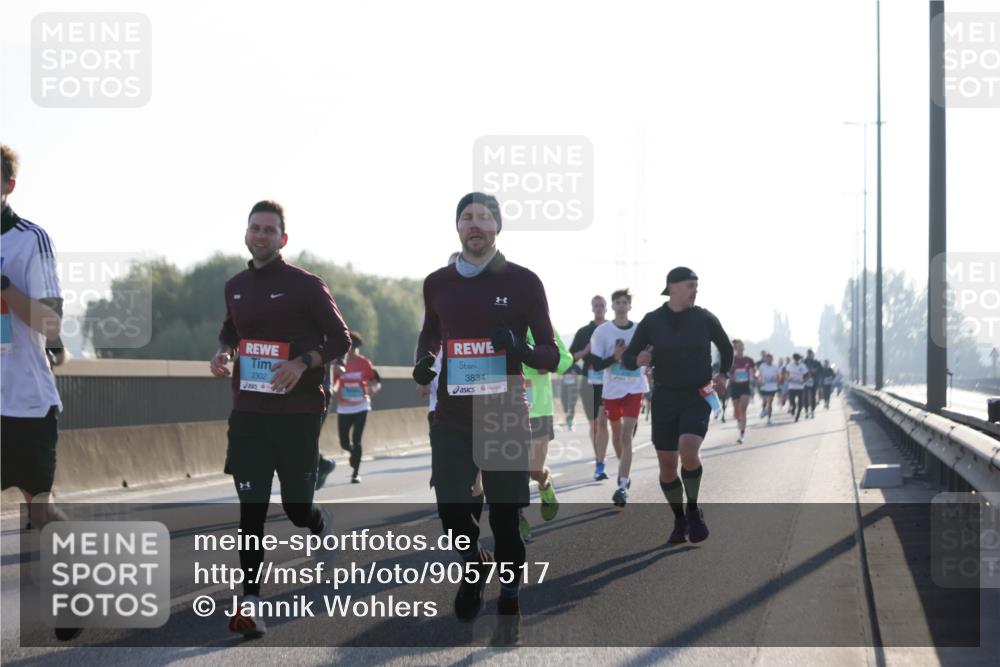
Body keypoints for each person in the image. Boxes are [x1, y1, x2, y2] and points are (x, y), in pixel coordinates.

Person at [412, 192, 558, 640]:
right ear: (457, 227)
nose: (474, 224)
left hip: (503, 411)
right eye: (467, 217)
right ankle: (474, 565)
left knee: (506, 515)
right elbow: (431, 333)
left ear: (497, 226)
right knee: (451, 510)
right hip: (453, 413)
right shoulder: (437, 282)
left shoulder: (524, 282)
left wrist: (520, 348)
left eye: (483, 217)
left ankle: (509, 601)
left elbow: (549, 354)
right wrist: (425, 360)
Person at [210, 200, 352, 638]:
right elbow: (231, 329)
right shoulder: (235, 286)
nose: (261, 235)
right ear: (246, 234)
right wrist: (224, 352)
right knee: (250, 510)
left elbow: (340, 339)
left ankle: (318, 522)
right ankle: (251, 602)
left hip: (298, 410)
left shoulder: (306, 285)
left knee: (294, 507)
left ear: (283, 239)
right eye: (255, 228)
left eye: (270, 229)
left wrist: (301, 363)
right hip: (249, 411)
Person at [0, 144, 79, 642]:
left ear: (8, 186)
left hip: (25, 400)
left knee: (40, 509)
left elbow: (51, 322)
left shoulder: (31, 240)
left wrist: (5, 288)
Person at [622, 267, 733, 545]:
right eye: (690, 285)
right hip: (665, 399)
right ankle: (679, 518)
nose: (695, 290)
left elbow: (726, 347)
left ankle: (694, 509)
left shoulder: (704, 318)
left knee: (688, 447)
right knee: (668, 465)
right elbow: (628, 357)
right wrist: (639, 359)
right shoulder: (652, 321)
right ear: (672, 287)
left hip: (698, 395)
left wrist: (723, 374)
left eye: (697, 285)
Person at [589, 288, 649, 507]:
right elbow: (595, 365)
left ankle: (622, 484)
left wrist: (646, 360)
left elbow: (649, 354)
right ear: (612, 306)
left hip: (635, 387)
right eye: (618, 302)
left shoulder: (640, 330)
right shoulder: (602, 333)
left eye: (625, 302)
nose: (621, 306)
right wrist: (614, 357)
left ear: (630, 306)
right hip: (612, 390)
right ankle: (622, 470)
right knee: (616, 433)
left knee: (626, 434)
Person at [519, 327, 573, 539]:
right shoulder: (496, 319)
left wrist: (549, 363)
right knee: (513, 470)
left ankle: (544, 484)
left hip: (539, 407)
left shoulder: (540, 324)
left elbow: (566, 358)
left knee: (533, 469)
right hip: (508, 406)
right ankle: (518, 518)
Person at [569, 295, 611, 481]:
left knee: (604, 422)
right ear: (592, 308)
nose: (599, 308)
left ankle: (601, 460)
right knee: (594, 424)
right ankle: (598, 460)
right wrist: (585, 351)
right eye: (596, 305)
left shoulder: (612, 329)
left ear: (606, 307)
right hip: (589, 381)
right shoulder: (583, 331)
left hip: (610, 381)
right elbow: (570, 357)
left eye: (602, 305)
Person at [333, 331, 381, 483]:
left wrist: (373, 389)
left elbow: (376, 381)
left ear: (357, 347)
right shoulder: (339, 364)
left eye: (353, 347)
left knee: (357, 440)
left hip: (361, 406)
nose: (350, 350)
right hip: (344, 407)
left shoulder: (364, 363)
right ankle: (353, 454)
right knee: (344, 442)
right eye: (347, 347)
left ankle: (355, 473)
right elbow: (333, 384)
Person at [728, 339, 755, 444]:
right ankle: (739, 420)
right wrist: (731, 378)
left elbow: (754, 372)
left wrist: (756, 377)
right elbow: (727, 373)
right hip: (735, 387)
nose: (740, 348)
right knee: (736, 412)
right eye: (737, 346)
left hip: (745, 387)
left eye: (741, 346)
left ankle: (742, 435)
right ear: (735, 348)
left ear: (743, 347)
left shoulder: (749, 360)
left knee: (743, 409)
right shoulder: (731, 360)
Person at [756, 353, 780, 424]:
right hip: (764, 387)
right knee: (764, 401)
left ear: (772, 359)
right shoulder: (762, 366)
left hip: (772, 387)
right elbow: (759, 374)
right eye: (767, 358)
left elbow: (779, 376)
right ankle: (763, 410)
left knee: (770, 403)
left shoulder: (775, 367)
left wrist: (777, 380)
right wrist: (759, 380)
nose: (769, 360)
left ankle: (769, 418)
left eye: (770, 358)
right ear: (766, 359)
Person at [784, 353, 809, 422]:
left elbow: (808, 375)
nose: (796, 361)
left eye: (798, 360)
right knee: (792, 401)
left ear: (799, 359)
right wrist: (787, 377)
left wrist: (803, 380)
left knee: (800, 402)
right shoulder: (790, 365)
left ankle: (797, 416)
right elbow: (786, 373)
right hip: (792, 386)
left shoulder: (803, 366)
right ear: (793, 359)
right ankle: (793, 408)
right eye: (795, 359)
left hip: (800, 387)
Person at [559, 364, 581, 429]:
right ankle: (567, 417)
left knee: (572, 405)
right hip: (564, 388)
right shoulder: (563, 365)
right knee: (565, 404)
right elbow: (557, 373)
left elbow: (582, 374)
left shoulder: (575, 366)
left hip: (574, 388)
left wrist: (576, 374)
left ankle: (570, 420)